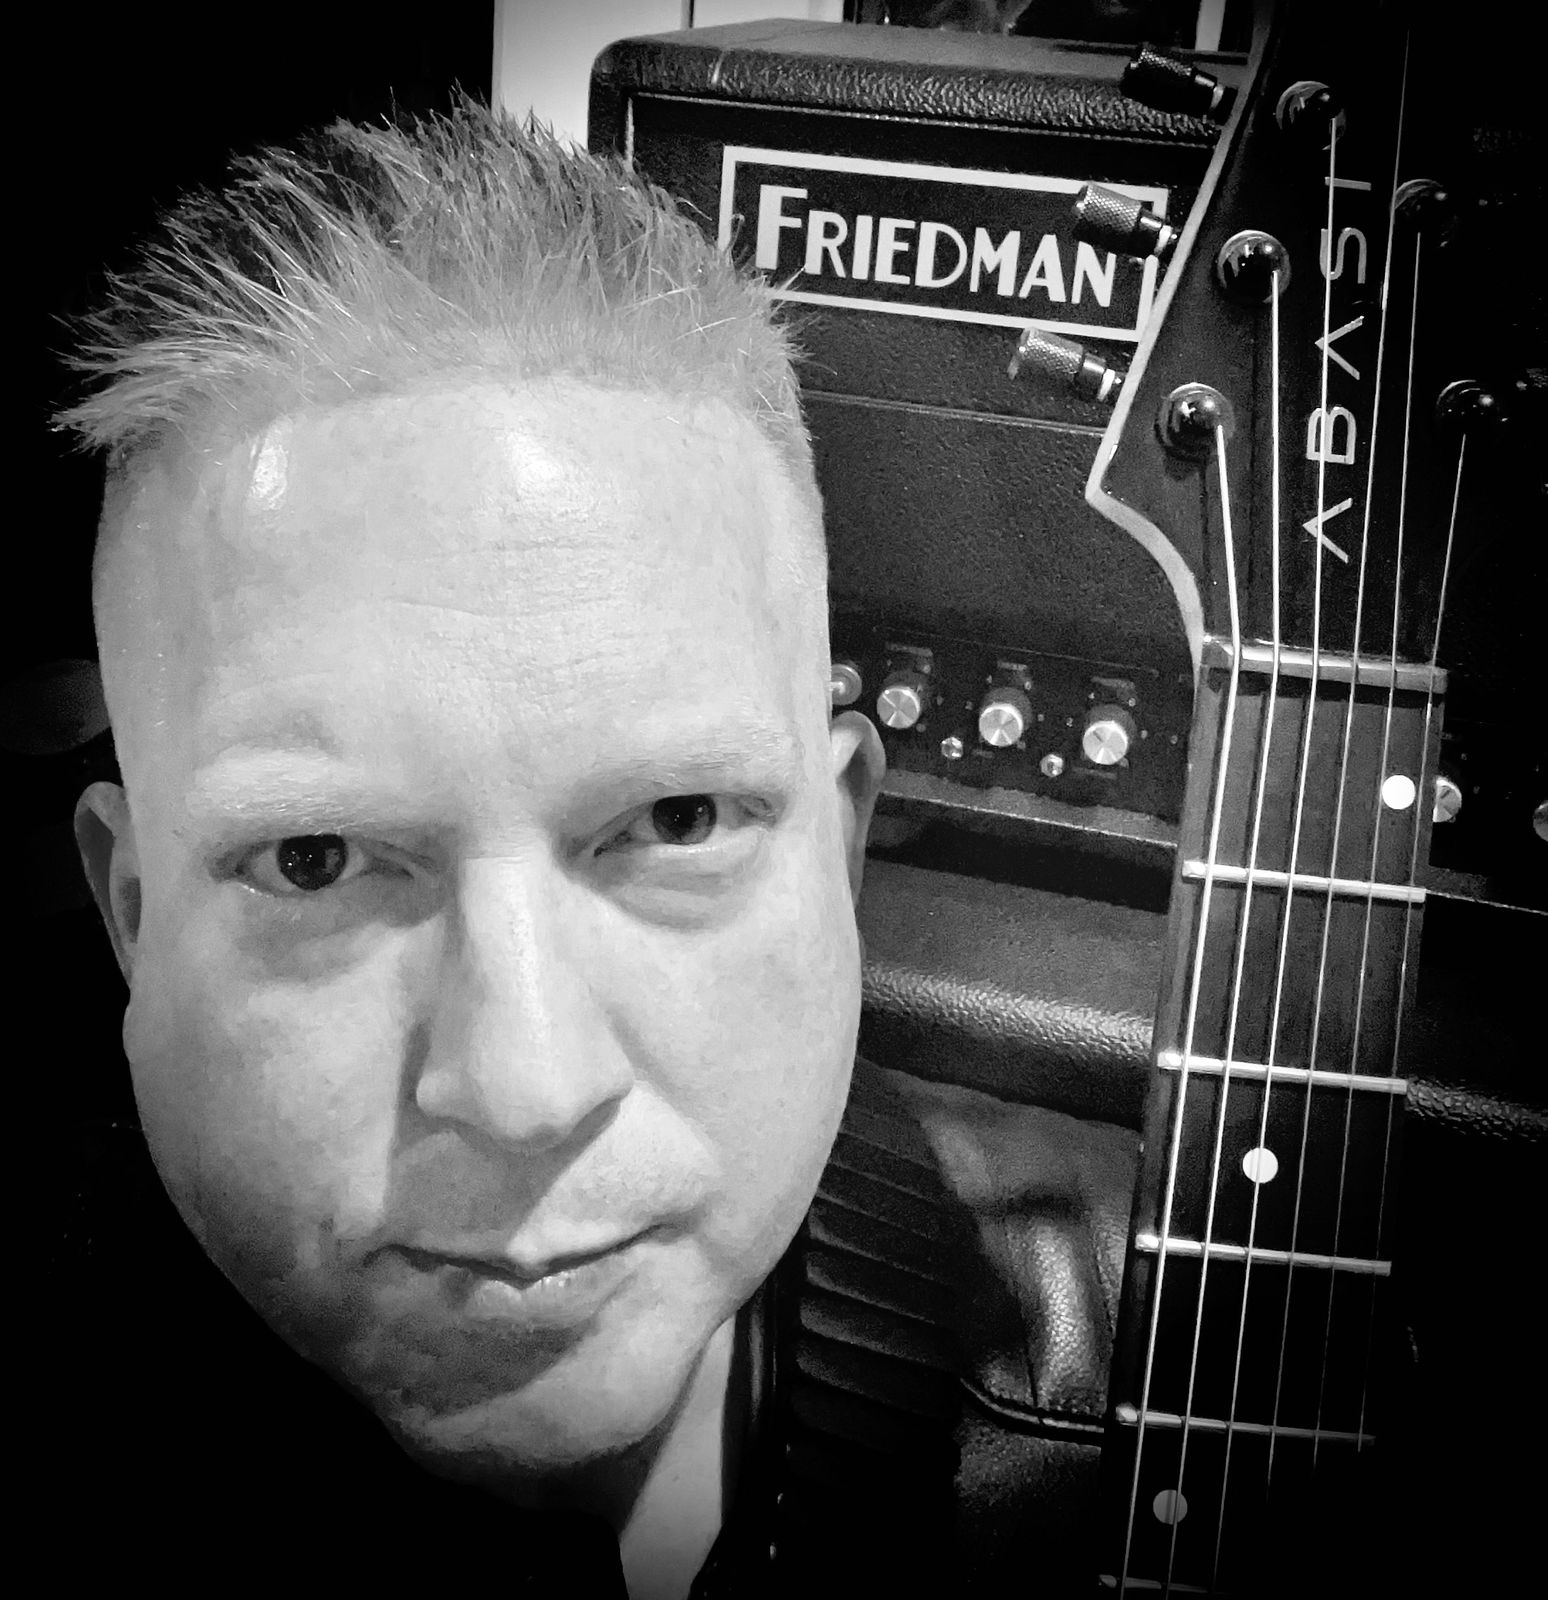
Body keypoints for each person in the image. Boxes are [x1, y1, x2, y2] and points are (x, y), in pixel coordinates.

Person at [52, 98, 1130, 1596]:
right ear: (131, 915)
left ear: (841, 850)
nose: (525, 1089)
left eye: (676, 823)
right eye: (314, 859)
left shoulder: (1144, 1382)